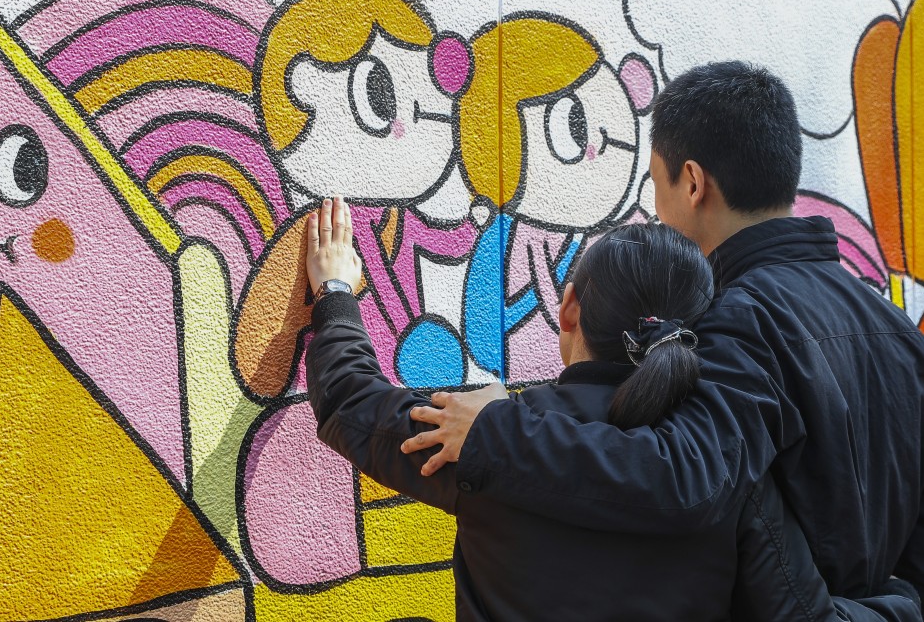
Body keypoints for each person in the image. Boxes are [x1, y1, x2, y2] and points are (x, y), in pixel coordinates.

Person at [398, 62, 924, 613]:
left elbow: (682, 475)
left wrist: (496, 429)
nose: (654, 209)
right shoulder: (894, 326)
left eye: (655, 183)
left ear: (693, 182)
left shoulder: (739, 320)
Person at [305, 196, 916, 621]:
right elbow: (791, 611)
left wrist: (335, 289)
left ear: (567, 310)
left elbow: (347, 401)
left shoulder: (478, 434)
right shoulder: (727, 465)